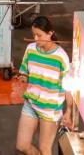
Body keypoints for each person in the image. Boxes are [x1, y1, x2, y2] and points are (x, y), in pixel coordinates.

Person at [16, 16, 72, 155]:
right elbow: (24, 72)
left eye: (39, 35)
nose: (35, 39)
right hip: (31, 103)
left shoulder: (61, 57)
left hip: (49, 109)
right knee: (22, 146)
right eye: (33, 35)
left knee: (45, 149)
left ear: (50, 33)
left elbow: (68, 86)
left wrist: (68, 110)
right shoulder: (30, 49)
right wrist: (22, 79)